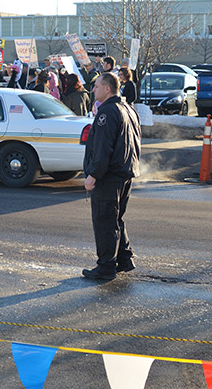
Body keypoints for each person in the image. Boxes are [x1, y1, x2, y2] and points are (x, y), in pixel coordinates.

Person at [82, 72, 142, 280]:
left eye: (97, 86)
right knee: (116, 217)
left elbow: (102, 148)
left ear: (107, 89)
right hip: (125, 172)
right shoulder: (128, 109)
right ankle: (124, 259)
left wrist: (93, 175)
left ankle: (106, 267)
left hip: (109, 175)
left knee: (105, 219)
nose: (93, 90)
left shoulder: (107, 112)